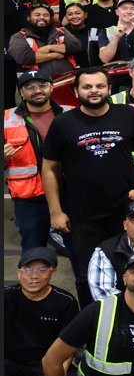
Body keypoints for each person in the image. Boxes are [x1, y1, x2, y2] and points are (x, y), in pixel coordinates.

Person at [41, 66, 134, 306]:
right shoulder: (63, 123)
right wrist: (55, 211)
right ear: (76, 91)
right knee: (88, 274)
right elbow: (50, 167)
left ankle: (128, 317)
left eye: (100, 86)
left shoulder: (126, 115)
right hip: (83, 214)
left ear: (109, 89)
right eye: (87, 86)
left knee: (130, 267)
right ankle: (93, 324)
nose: (94, 91)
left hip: (125, 210)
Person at [5, 247, 80, 376]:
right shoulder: (6, 296)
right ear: (18, 272)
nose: (34, 276)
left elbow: (70, 345)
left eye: (41, 269)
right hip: (11, 360)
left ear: (53, 272)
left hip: (48, 362)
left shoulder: (65, 302)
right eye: (28, 269)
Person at [6, 70, 68, 251]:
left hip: (69, 194)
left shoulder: (69, 113)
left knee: (77, 250)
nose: (37, 90)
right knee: (33, 254)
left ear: (51, 87)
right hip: (30, 201)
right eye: (29, 87)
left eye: (42, 85)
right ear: (21, 93)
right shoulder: (6, 118)